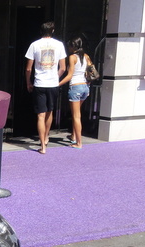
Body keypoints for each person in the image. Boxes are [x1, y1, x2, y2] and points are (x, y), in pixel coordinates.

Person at [25, 21, 67, 154]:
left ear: (41, 31)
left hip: (39, 83)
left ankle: (42, 145)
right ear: (53, 31)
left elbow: (28, 68)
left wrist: (28, 82)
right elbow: (63, 68)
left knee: (40, 116)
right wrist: (55, 77)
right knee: (50, 112)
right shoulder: (59, 45)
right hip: (53, 84)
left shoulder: (34, 45)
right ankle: (47, 137)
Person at [59, 37, 92, 149]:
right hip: (85, 87)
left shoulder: (72, 57)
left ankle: (79, 142)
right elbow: (92, 70)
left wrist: (58, 84)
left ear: (73, 46)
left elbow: (70, 75)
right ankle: (74, 136)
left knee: (76, 116)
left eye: (69, 46)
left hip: (76, 87)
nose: (68, 48)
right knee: (78, 114)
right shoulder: (86, 56)